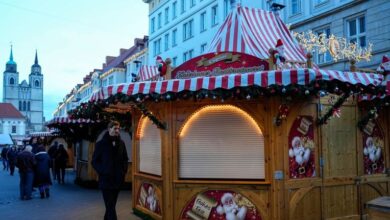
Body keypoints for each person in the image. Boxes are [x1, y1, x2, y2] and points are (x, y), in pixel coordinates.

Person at [92, 121, 129, 220]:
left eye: (118, 129)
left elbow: (125, 159)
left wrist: (123, 170)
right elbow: (94, 161)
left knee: (111, 205)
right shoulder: (100, 144)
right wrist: (103, 171)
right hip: (106, 180)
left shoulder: (121, 143)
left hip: (118, 179)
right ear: (109, 129)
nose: (117, 131)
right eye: (115, 129)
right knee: (110, 205)